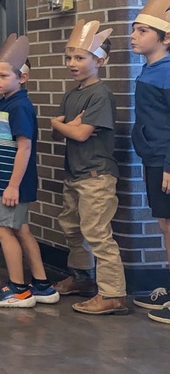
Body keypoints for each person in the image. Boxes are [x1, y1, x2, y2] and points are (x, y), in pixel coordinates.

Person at [51, 19, 128, 315]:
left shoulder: (100, 95)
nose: (72, 63)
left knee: (97, 233)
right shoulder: (72, 95)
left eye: (80, 57)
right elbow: (58, 134)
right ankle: (83, 278)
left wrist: (60, 124)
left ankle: (113, 293)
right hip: (75, 173)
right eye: (69, 57)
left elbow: (81, 134)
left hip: (96, 175)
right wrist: (64, 126)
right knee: (72, 228)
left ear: (100, 61)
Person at [0, 35, 58, 308]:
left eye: (3, 75)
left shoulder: (19, 106)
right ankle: (42, 285)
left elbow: (24, 148)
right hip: (8, 182)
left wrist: (12, 186)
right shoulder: (6, 102)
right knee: (21, 229)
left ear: (22, 77)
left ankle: (19, 290)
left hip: (13, 184)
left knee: (2, 229)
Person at [128, 0, 170, 323]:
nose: (133, 36)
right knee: (165, 224)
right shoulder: (151, 70)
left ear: (165, 38)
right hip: (153, 158)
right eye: (134, 30)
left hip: (165, 161)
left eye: (142, 31)